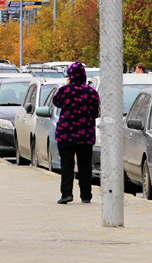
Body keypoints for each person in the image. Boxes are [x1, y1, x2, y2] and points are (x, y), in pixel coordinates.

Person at [52, 62, 100, 205]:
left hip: (66, 134)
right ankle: (86, 195)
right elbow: (96, 112)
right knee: (85, 165)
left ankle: (66, 194)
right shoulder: (92, 92)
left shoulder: (64, 90)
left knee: (67, 164)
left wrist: (66, 85)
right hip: (85, 134)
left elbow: (56, 102)